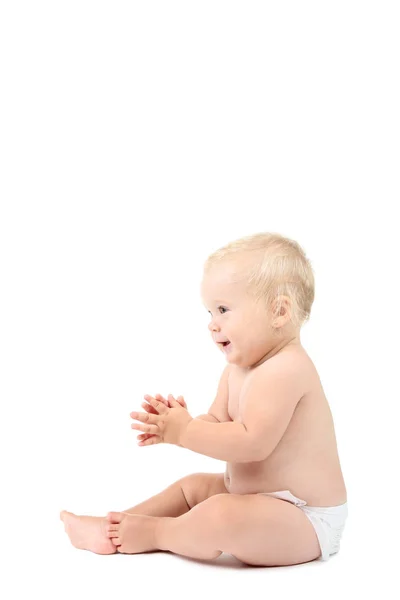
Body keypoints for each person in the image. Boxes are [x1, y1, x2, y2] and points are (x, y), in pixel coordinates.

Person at [60, 231, 348, 566]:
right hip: (257, 501)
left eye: (224, 310)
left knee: (220, 514)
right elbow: (217, 424)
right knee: (191, 488)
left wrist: (185, 433)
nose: (212, 325)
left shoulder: (287, 369)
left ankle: (153, 533)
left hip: (306, 520)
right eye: (209, 312)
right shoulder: (237, 370)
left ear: (279, 312)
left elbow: (251, 444)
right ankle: (115, 525)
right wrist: (185, 424)